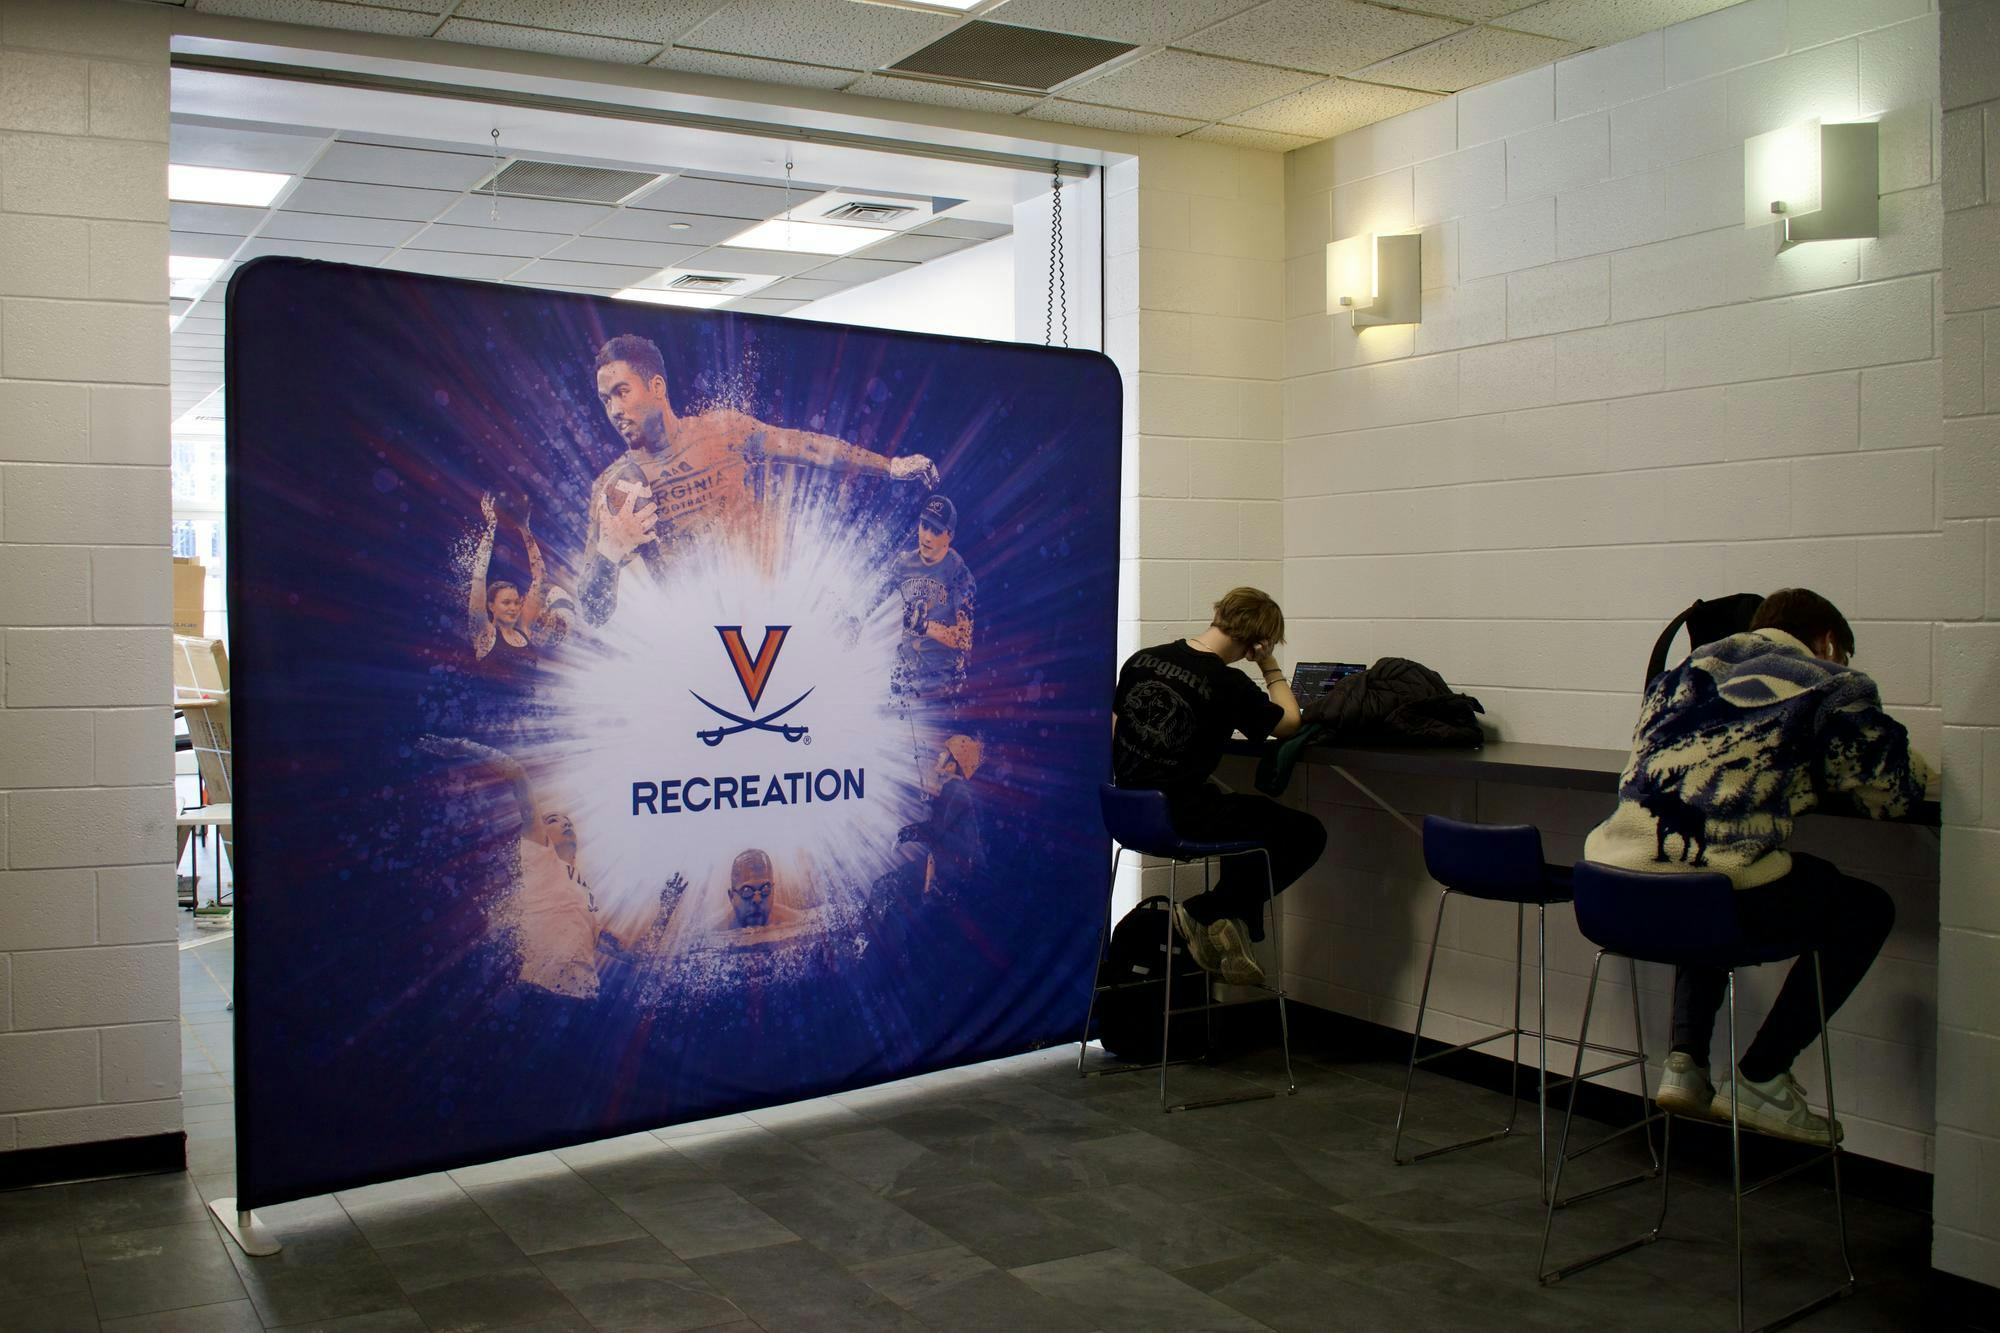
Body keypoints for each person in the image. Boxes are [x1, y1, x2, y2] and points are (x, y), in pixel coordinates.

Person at [1584, 588, 1933, 1144]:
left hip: (1612, 891)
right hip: (1711, 896)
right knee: (1864, 907)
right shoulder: (1829, 680)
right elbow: (1890, 794)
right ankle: (1763, 1077)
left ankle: (1685, 1062)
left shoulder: (1680, 675)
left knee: (1708, 868)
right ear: (1828, 642)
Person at [579, 333, 940, 625]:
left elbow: (807, 447)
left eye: (622, 392)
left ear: (656, 386)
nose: (615, 410)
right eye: (605, 400)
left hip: (777, 611)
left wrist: (889, 466)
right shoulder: (614, 490)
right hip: (711, 640)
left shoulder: (721, 432)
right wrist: (609, 553)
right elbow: (594, 613)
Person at [1111, 587, 1324, 986]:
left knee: (1248, 820)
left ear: (1220, 613)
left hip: (1127, 811)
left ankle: (1230, 931)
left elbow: (1115, 731)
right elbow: (1289, 723)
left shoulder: (1142, 660)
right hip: (1182, 815)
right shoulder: (1228, 684)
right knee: (1305, 833)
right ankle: (1204, 914)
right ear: (1258, 642)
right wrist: (1269, 665)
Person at [890, 495, 976, 701]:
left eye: (936, 531)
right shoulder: (903, 564)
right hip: (904, 680)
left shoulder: (959, 575)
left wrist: (925, 626)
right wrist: (855, 619)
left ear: (949, 536)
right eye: (924, 526)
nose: (927, 537)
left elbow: (965, 639)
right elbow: (874, 597)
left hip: (942, 688)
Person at [467, 493, 545, 662]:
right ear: (491, 606)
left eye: (516, 602)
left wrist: (525, 529)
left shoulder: (524, 631)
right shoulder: (485, 634)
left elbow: (540, 577)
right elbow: (479, 577)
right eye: (506, 602)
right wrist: (491, 527)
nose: (513, 608)